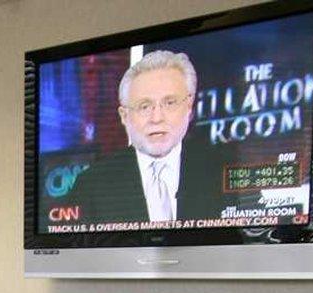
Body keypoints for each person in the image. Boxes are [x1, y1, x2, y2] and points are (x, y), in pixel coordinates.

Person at [68, 50, 229, 225]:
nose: (157, 118)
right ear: (124, 116)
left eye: (170, 103)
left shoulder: (222, 171)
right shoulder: (91, 186)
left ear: (189, 107)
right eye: (144, 106)